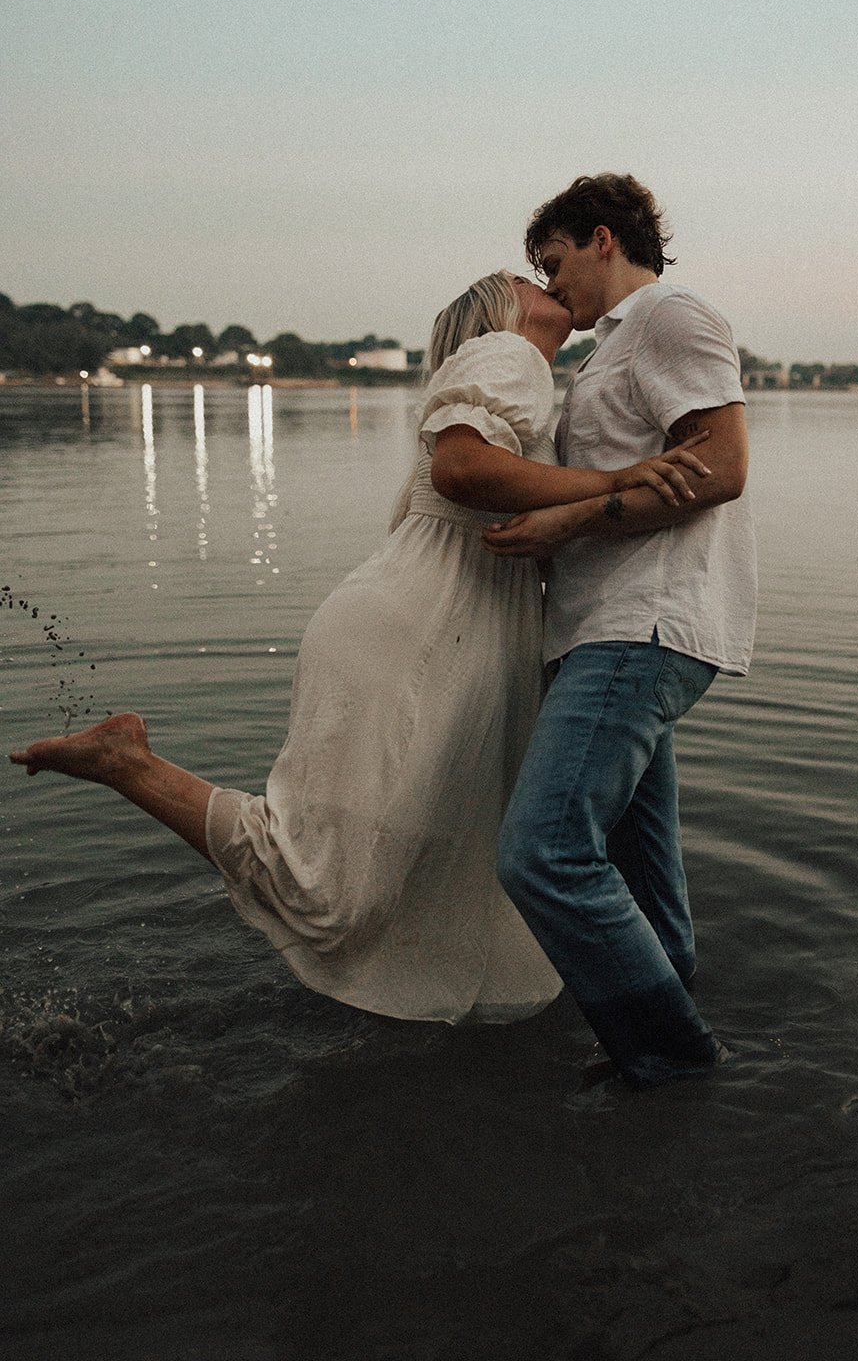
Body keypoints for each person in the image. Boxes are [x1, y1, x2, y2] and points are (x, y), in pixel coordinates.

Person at [10, 270, 711, 1029]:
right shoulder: (505, 354)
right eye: (522, 275)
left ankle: (637, 1007)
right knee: (328, 887)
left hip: (447, 636)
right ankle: (128, 763)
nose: (543, 278)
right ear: (496, 310)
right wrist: (619, 481)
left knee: (431, 859)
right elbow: (461, 468)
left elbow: (506, 514)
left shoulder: (527, 376)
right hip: (411, 639)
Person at [481, 176, 757, 1088]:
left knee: (543, 853)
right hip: (597, 629)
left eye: (553, 264)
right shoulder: (606, 351)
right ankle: (670, 1045)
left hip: (641, 625)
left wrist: (567, 523)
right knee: (640, 878)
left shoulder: (671, 315)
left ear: (602, 239)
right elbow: (633, 475)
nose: (550, 288)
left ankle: (671, 1060)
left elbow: (719, 467)